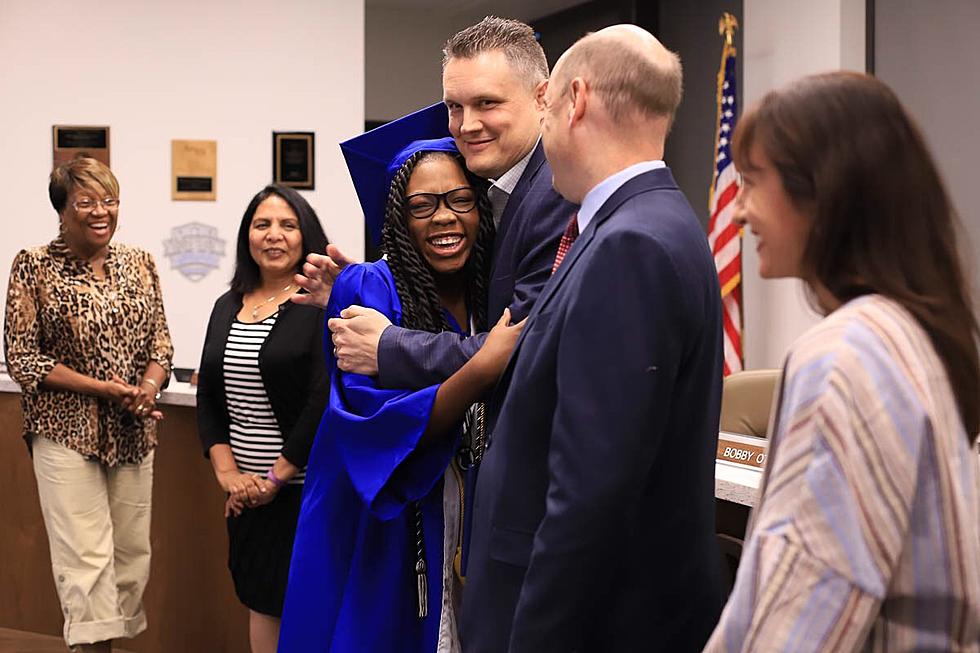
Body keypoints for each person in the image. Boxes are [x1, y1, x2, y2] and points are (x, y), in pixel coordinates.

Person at [461, 25, 726, 652]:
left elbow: (590, 490)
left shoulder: (629, 245)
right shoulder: (648, 221)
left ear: (574, 99)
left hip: (582, 621)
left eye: (546, 106)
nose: (544, 127)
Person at [705, 72, 980, 652]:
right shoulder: (909, 332)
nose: (738, 212)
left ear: (823, 193)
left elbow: (805, 613)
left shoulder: (846, 358)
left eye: (753, 183)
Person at [278, 135, 520, 653]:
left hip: (466, 508)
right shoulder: (367, 286)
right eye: (422, 205)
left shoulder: (492, 292)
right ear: (399, 219)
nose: (444, 218)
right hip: (382, 519)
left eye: (459, 199)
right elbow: (376, 422)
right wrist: (483, 368)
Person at [4, 157, 173, 653]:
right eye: (86, 202)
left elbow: (161, 343)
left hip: (132, 432)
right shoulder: (33, 264)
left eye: (110, 200)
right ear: (62, 210)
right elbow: (23, 359)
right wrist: (102, 388)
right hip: (64, 432)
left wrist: (147, 385)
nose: (101, 211)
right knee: (85, 562)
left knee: (129, 557)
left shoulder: (140, 262)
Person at [195, 185, 330, 653]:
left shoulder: (317, 304)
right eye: (262, 224)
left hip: (303, 493)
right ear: (247, 236)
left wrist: (274, 478)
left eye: (287, 225)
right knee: (260, 603)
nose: (274, 235)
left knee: (304, 610)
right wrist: (231, 477)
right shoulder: (227, 305)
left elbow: (321, 401)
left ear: (305, 235)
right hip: (247, 499)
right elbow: (209, 399)